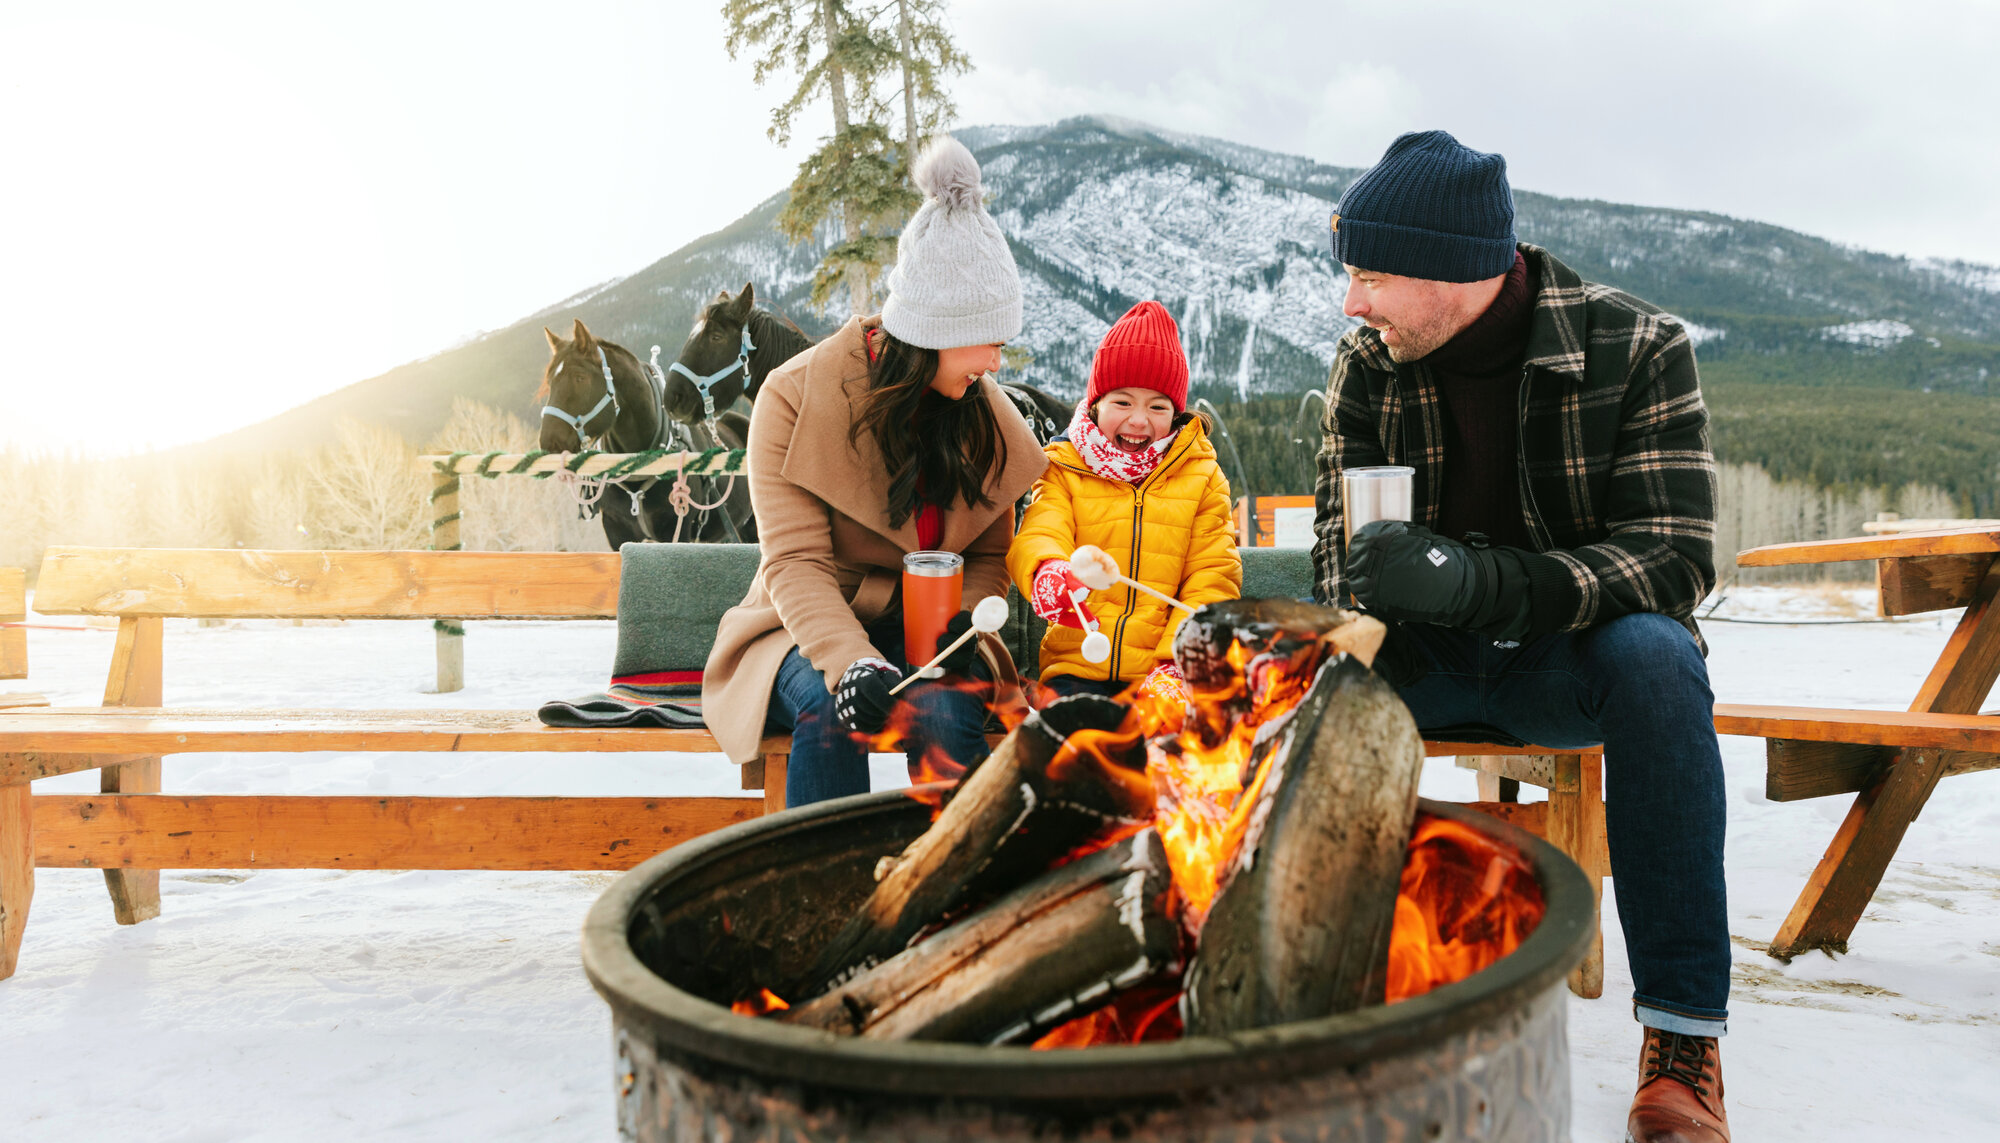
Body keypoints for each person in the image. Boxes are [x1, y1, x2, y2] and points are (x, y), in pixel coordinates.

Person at [1311, 131, 1731, 1143]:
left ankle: (1680, 1043)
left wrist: (1486, 584)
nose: (1350, 302)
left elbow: (1674, 559)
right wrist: (1369, 581)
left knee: (1661, 661)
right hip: (1418, 660)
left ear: (1454, 274)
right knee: (1292, 679)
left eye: (1370, 275)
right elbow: (1334, 551)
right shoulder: (1369, 367)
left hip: (1565, 663)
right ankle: (1313, 1006)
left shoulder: (1635, 348)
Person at [702, 137, 1046, 808]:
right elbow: (796, 563)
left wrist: (961, 628)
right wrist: (853, 661)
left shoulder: (981, 414)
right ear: (937, 331)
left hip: (930, 633)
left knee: (949, 710)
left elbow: (988, 552)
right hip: (807, 626)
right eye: (991, 341)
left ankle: (959, 883)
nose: (998, 364)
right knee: (836, 710)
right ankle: (825, 899)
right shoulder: (793, 397)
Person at [1007, 300, 1242, 702]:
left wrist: (1179, 663)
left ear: (1176, 413)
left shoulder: (1201, 477)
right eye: (1123, 402)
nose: (1138, 420)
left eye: (1158, 406)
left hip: (1162, 671)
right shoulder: (1064, 466)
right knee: (1071, 749)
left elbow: (1212, 578)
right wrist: (1047, 569)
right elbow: (1042, 529)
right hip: (1075, 664)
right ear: (1096, 403)